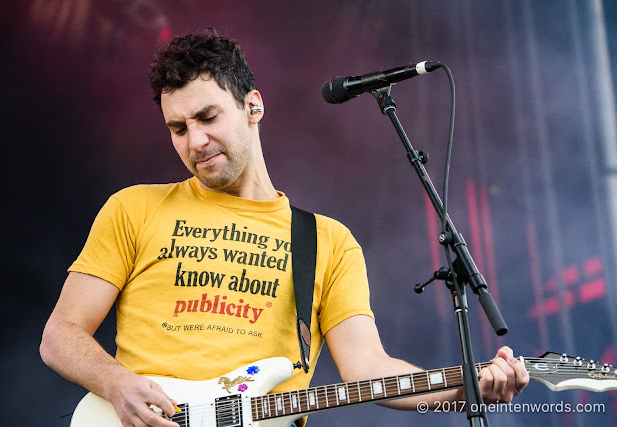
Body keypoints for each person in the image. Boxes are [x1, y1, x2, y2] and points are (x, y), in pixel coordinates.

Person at [40, 28, 529, 427]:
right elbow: (61, 334)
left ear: (253, 106)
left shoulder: (328, 243)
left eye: (208, 117)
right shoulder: (133, 208)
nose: (195, 140)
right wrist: (115, 384)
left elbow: (370, 371)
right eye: (178, 127)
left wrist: (463, 390)